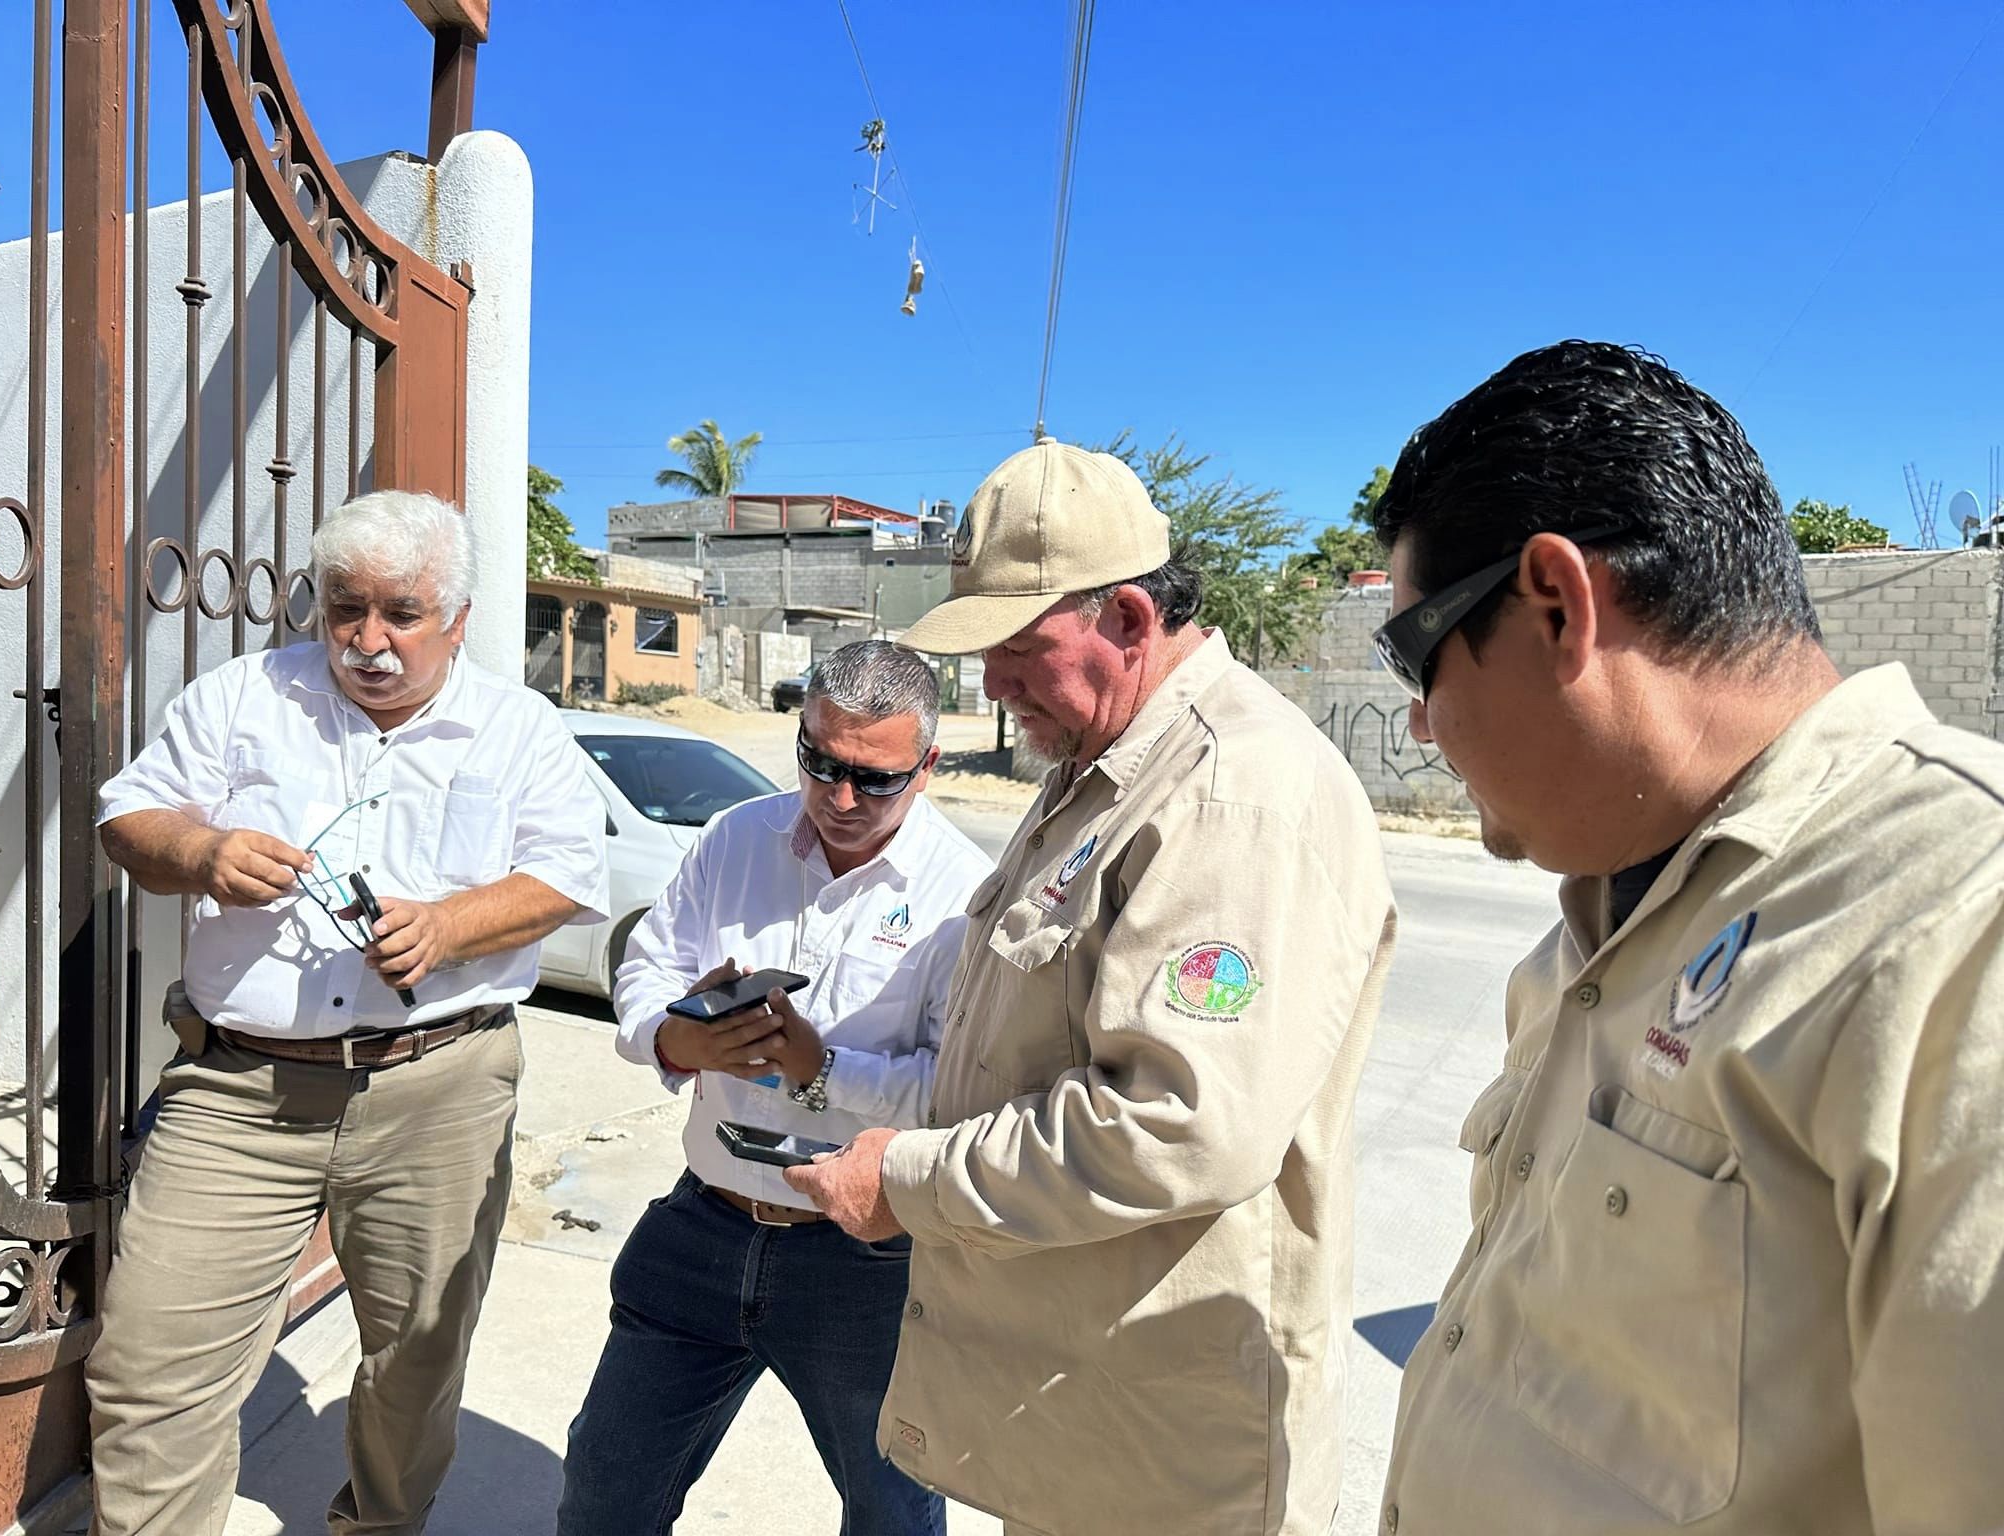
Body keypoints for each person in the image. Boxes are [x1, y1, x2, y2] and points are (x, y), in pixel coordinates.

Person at [1367, 340, 2004, 1535]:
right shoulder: (1593, 924)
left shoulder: (1960, 922)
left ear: (1555, 606)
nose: (1416, 724)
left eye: (1413, 655)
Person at [785, 439, 1397, 1535]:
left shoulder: (1232, 790)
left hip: (1171, 1462)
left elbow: (1176, 1124)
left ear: (1127, 616)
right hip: (1087, 1418)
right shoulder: (1104, 767)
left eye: (1019, 647)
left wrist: (911, 1182)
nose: (992, 684)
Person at [87, 490, 609, 1535]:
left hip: (440, 1090)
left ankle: (379, 1524)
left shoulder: (517, 728)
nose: (368, 641)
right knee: (148, 1368)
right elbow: (127, 817)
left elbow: (568, 875)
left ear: (457, 620)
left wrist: (450, 926)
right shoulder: (242, 697)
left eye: (401, 614)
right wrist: (201, 850)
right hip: (237, 1092)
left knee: (416, 1364)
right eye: (344, 609)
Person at [558, 640, 991, 1536]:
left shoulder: (966, 895)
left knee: (892, 1511)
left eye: (873, 779)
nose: (839, 798)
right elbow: (647, 967)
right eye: (819, 762)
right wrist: (676, 1038)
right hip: (703, 1224)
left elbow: (956, 1094)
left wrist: (819, 1068)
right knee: (606, 1489)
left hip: (864, 1260)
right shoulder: (736, 837)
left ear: (928, 766)